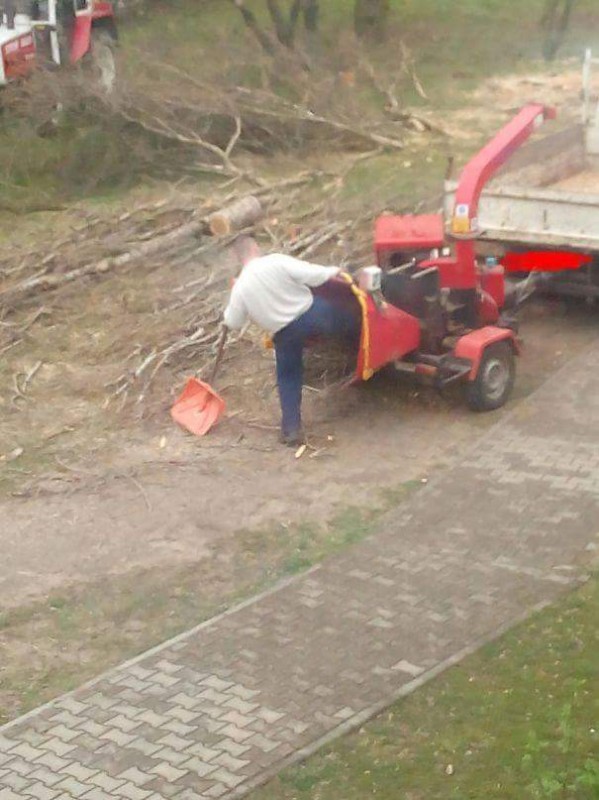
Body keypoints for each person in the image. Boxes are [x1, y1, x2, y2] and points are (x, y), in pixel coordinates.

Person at [223, 244, 359, 446]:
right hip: (312, 314)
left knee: (288, 377)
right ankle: (364, 351)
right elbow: (311, 274)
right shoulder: (275, 261)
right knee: (353, 320)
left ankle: (291, 429)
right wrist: (335, 271)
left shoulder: (240, 287)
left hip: (285, 333)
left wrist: (229, 307)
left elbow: (233, 322)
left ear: (237, 258)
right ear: (254, 248)